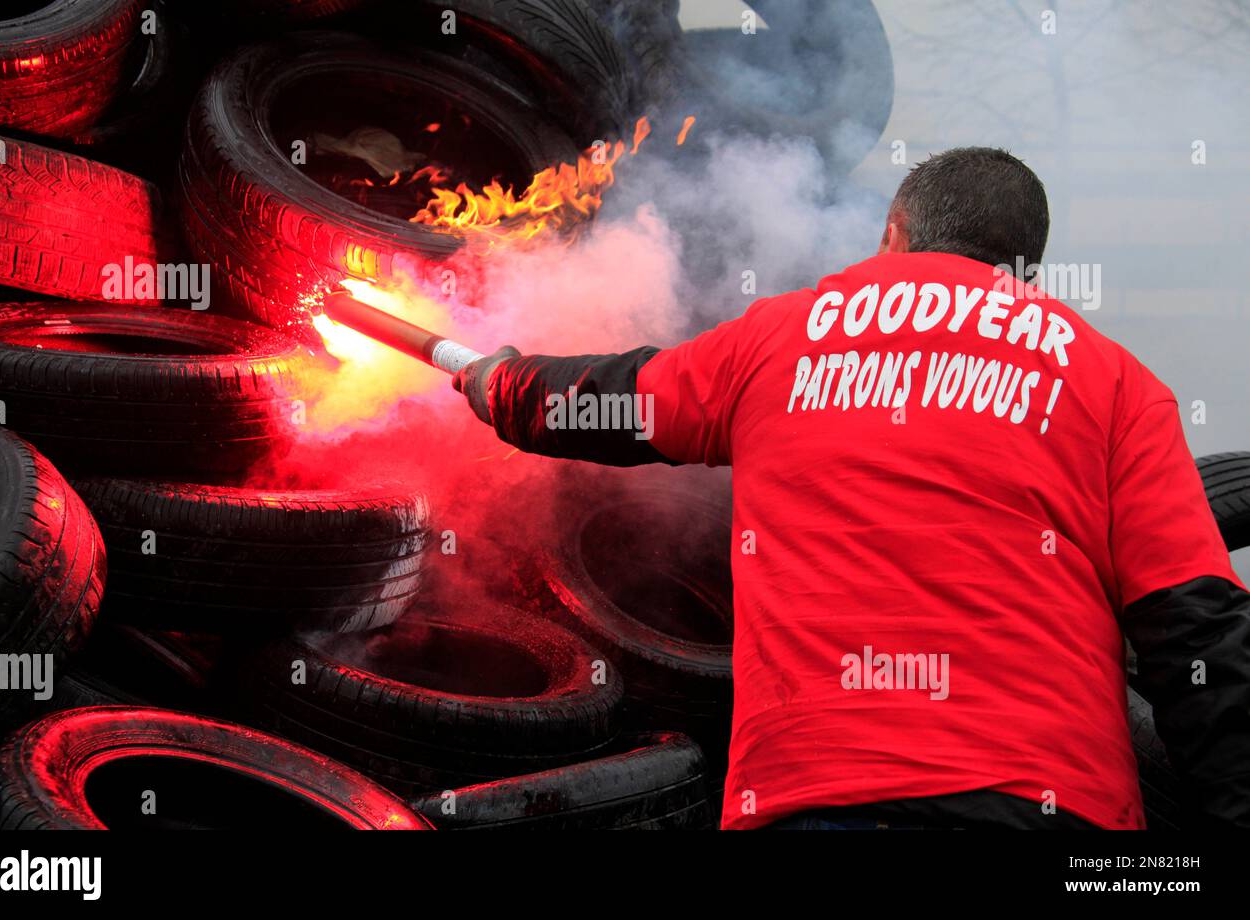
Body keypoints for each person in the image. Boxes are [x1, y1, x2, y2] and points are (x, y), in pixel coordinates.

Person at [453, 147, 1250, 830]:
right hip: (1048, 799)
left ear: (893, 236)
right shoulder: (1114, 382)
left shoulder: (784, 335)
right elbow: (1197, 628)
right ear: (1028, 268)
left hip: (818, 791)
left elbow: (614, 399)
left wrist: (501, 382)